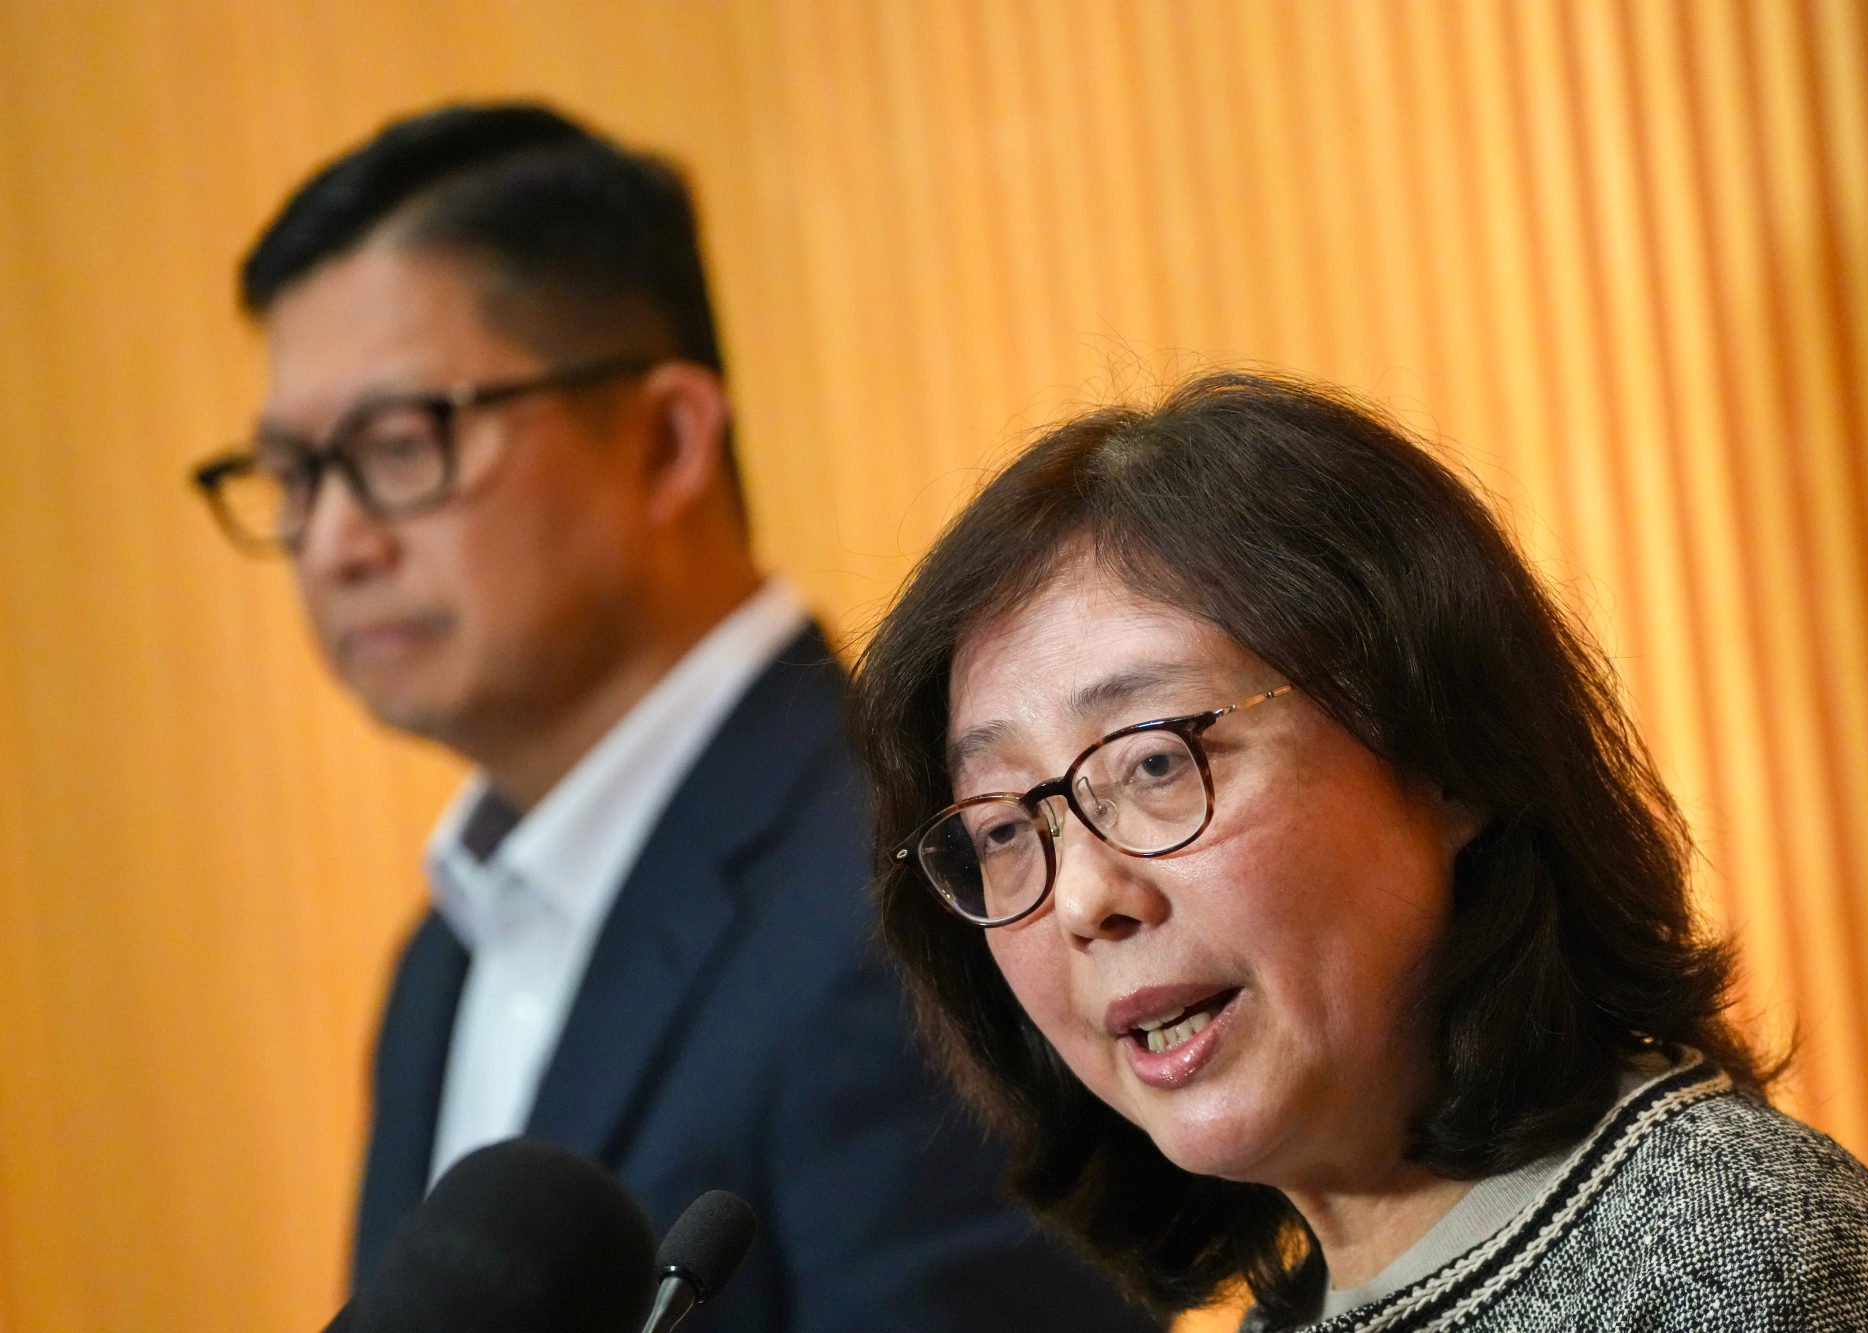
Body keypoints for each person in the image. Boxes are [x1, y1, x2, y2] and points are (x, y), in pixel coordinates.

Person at [190, 102, 1150, 1331]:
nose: (333, 541)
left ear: (666, 441)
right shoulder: (439, 962)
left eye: (396, 443)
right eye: (292, 475)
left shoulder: (908, 901)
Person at [853, 371, 1868, 1330]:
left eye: (1153, 763)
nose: (1085, 898)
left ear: (1444, 750)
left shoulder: (1724, 1262)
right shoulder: (1298, 1311)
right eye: (1005, 826)